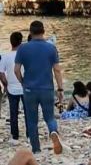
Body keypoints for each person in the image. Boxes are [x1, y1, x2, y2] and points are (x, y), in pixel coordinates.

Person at [13, 20, 63, 156]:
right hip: (47, 88)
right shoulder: (51, 48)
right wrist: (60, 89)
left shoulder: (23, 48)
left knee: (32, 120)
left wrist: (23, 82)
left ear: (30, 32)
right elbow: (57, 70)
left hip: (29, 89)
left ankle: (36, 149)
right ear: (43, 31)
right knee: (50, 117)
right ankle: (53, 131)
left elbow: (16, 70)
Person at [0, 31, 26, 141]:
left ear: (11, 42)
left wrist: (6, 84)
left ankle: (15, 136)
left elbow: (1, 74)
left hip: (11, 88)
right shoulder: (25, 56)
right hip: (25, 87)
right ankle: (29, 134)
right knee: (28, 112)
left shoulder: (5, 57)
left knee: (13, 113)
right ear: (21, 42)